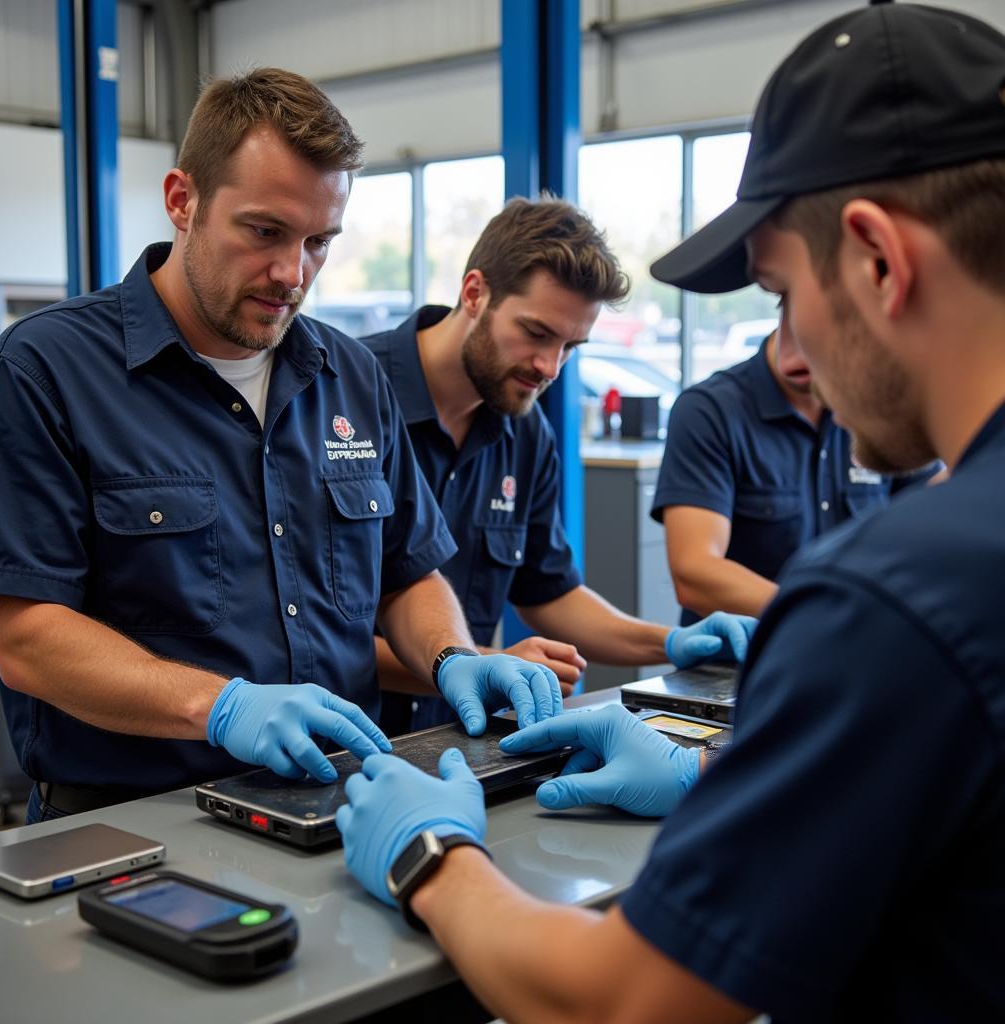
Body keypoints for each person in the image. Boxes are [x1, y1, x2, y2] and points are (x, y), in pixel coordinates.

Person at [334, 5, 1005, 1021]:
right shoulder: (345, 399)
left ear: (875, 258)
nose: (795, 355)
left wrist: (430, 854)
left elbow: (623, 1005)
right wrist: (709, 769)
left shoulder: (899, 594)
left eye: (782, 289)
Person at [0, 69, 563, 826]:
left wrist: (454, 657)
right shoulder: (41, 373)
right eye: (265, 232)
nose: (293, 274)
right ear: (182, 200)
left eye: (319, 242)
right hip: (133, 820)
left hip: (345, 806)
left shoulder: (350, 375)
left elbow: (408, 574)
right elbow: (26, 637)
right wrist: (219, 707)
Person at [360, 196, 757, 734]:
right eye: (537, 333)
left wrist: (668, 642)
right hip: (340, 743)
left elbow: (549, 595)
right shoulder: (349, 398)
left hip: (452, 738)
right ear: (475, 292)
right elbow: (315, 629)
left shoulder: (525, 432)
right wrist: (474, 666)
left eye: (571, 346)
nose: (550, 367)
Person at [654, 313, 938, 622]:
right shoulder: (710, 411)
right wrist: (821, 615)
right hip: (744, 662)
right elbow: (695, 574)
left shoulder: (874, 407)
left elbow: (934, 522)